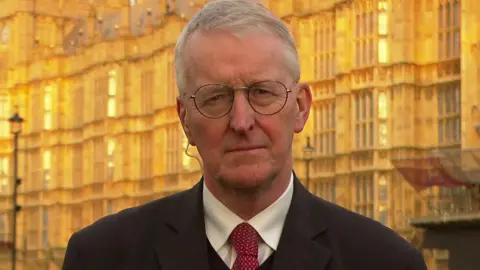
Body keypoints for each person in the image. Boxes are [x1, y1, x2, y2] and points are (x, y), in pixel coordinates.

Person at [62, 1, 428, 269]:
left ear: (301, 107)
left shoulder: (388, 262)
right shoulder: (101, 257)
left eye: (263, 93)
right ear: (184, 118)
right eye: (215, 97)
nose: (241, 121)